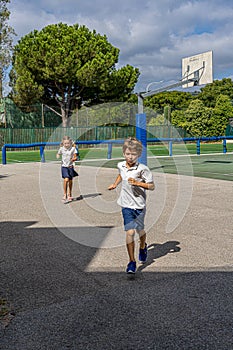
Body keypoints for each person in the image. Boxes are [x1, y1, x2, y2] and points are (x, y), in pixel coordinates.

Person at [108, 137, 155, 274]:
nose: (130, 157)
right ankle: (131, 262)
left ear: (139, 154)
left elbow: (151, 186)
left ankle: (143, 246)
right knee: (130, 232)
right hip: (126, 204)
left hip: (139, 205)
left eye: (133, 154)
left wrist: (138, 183)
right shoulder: (120, 165)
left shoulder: (143, 169)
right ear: (123, 153)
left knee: (140, 231)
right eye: (128, 154)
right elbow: (120, 175)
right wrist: (115, 184)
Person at [56, 136, 79, 202]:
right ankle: (65, 194)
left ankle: (70, 194)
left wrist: (74, 159)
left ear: (70, 143)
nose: (66, 145)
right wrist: (57, 155)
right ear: (63, 143)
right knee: (66, 180)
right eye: (65, 143)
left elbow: (75, 157)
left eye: (68, 143)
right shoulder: (61, 149)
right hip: (64, 167)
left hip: (70, 167)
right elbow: (58, 153)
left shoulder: (73, 149)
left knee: (70, 181)